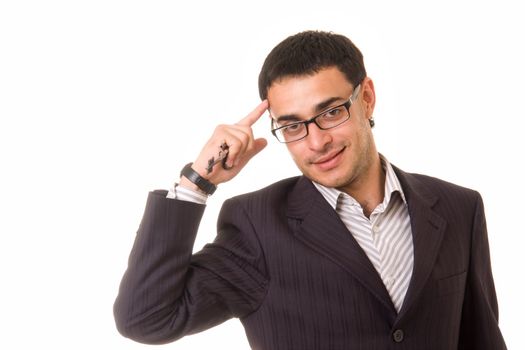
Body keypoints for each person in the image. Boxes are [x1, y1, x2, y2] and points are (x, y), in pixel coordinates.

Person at [114, 30, 507, 349]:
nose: (316, 142)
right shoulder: (257, 226)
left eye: (331, 112)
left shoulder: (458, 207)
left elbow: (482, 338)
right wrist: (196, 182)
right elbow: (146, 318)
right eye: (292, 126)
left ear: (366, 98)